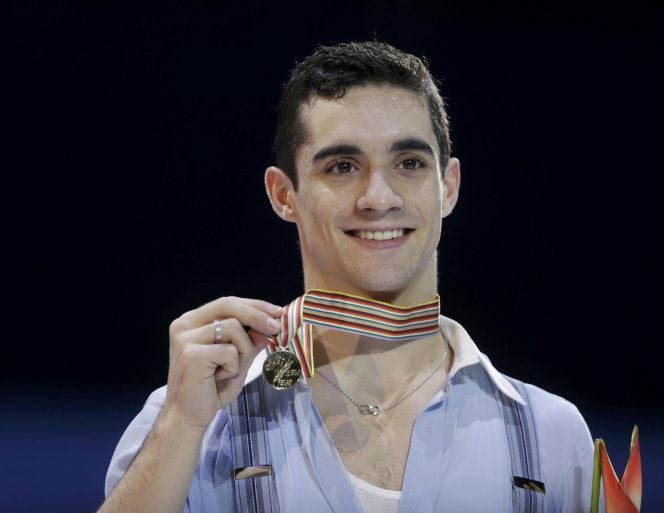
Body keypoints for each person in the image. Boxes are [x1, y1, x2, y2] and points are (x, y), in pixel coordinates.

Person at [100, 41, 596, 513]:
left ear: (448, 187)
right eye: (341, 166)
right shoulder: (198, 417)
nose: (378, 197)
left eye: (409, 163)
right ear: (283, 195)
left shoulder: (549, 432)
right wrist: (183, 424)